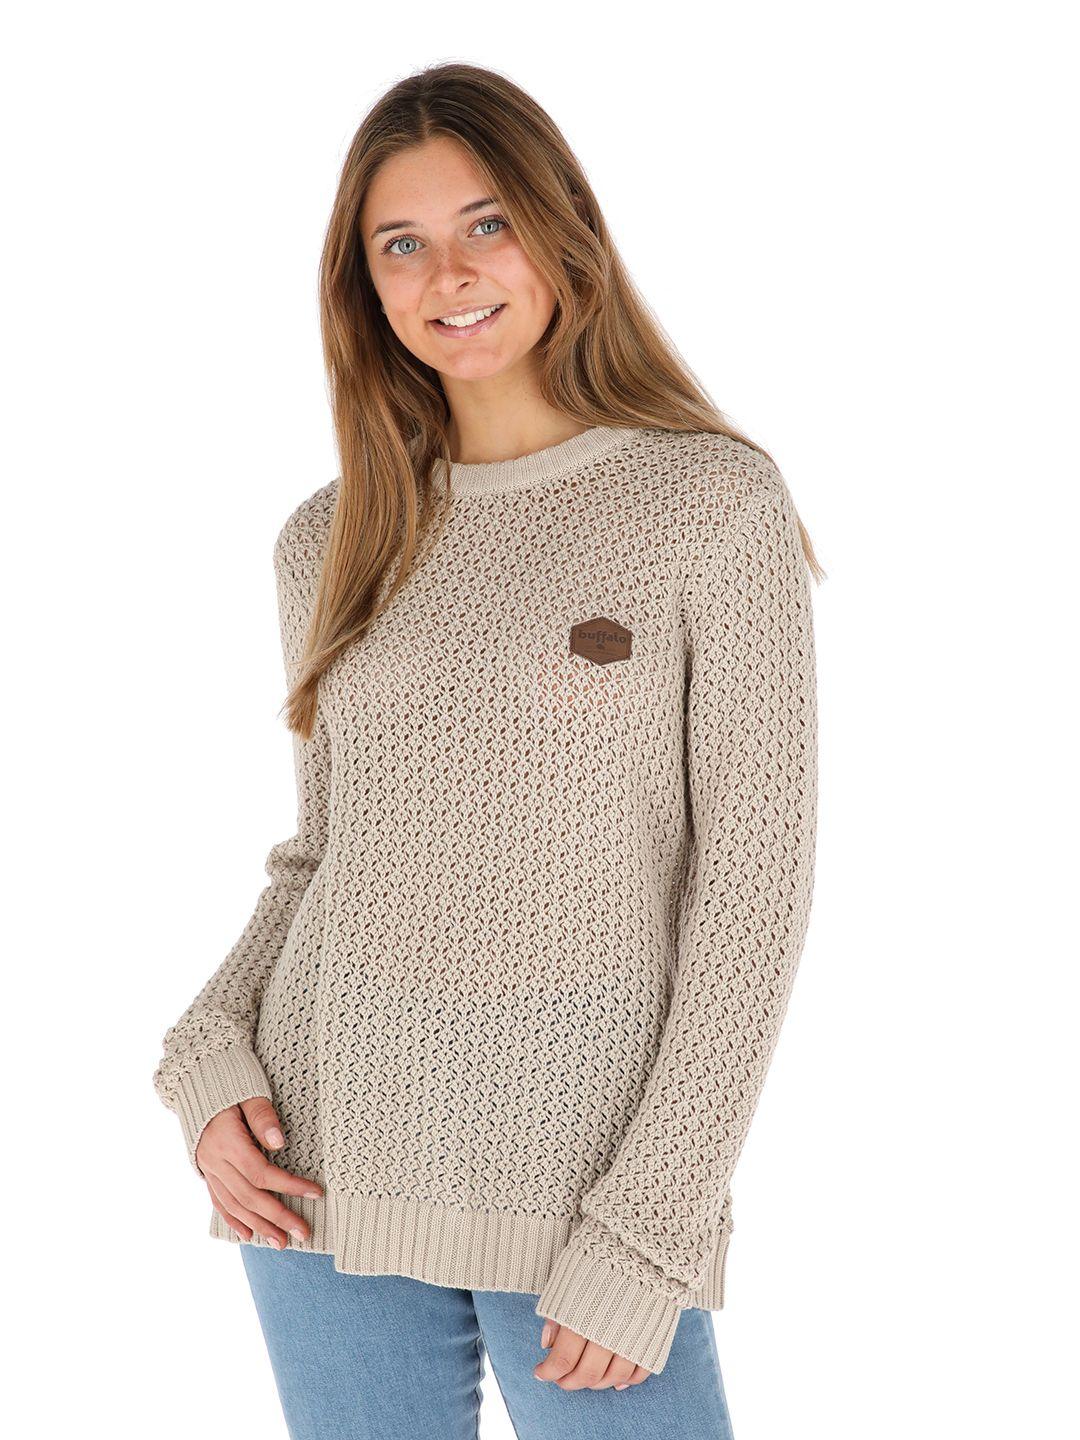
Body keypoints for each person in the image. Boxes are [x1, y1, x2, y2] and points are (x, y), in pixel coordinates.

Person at [152, 60, 822, 1440]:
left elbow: (750, 896)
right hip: (318, 1174)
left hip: (587, 1202)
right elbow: (324, 855)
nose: (448, 274)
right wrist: (206, 1051)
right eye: (400, 244)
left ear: (561, 230)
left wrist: (651, 1224)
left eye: (487, 224)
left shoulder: (709, 503)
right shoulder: (329, 537)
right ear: (364, 284)